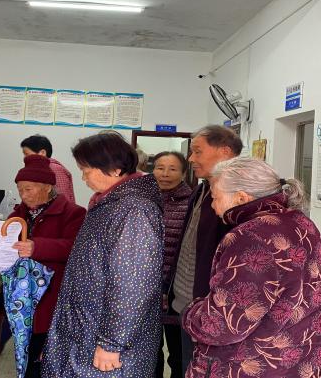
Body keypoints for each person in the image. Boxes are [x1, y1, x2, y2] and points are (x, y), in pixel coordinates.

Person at [182, 157, 321, 378]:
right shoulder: (302, 223)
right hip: (299, 359)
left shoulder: (249, 237)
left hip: (251, 366)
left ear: (241, 197)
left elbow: (223, 326)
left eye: (215, 197)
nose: (212, 206)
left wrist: (191, 312)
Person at [41, 132, 163, 378]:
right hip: (89, 326)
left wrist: (112, 343)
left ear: (116, 169)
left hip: (107, 342)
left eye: (86, 170)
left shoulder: (134, 211)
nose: (83, 177)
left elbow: (133, 285)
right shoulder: (110, 203)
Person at [0, 155, 86, 378]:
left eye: (28, 189)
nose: (24, 195)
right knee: (23, 354)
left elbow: (75, 248)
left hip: (52, 294)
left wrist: (37, 247)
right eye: (20, 190)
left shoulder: (74, 213)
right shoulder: (18, 214)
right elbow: (6, 244)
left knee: (45, 355)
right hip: (19, 296)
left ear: (48, 187)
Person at [170, 125, 243, 371]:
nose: (191, 159)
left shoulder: (237, 198)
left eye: (198, 151)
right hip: (186, 302)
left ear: (225, 152)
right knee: (184, 365)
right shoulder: (202, 189)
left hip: (210, 310)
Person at [152, 151, 192, 378]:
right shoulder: (145, 200)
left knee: (179, 356)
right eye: (160, 168)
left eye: (173, 169)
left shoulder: (191, 203)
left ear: (184, 173)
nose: (165, 174)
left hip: (178, 292)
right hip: (147, 290)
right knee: (149, 353)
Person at [21, 134, 76, 204]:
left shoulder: (55, 169)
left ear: (42, 153)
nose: (25, 158)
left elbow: (64, 201)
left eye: (27, 154)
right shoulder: (37, 171)